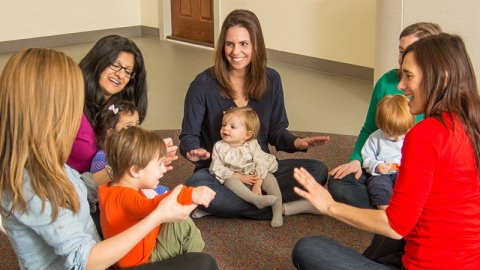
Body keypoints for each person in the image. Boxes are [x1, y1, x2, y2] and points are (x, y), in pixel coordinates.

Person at [0, 48, 218, 270]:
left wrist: (129, 164)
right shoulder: (31, 183)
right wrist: (158, 216)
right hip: (93, 262)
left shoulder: (40, 162)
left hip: (94, 248)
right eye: (72, 101)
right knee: (201, 263)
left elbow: (81, 188)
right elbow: (84, 261)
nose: (77, 112)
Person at [291, 33, 480, 270]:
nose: (401, 85)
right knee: (392, 214)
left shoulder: (425, 134)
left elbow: (394, 225)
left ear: (441, 78)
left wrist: (329, 206)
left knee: (309, 248)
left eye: (409, 76)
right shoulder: (469, 122)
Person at [180, 9, 329, 220]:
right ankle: (283, 208)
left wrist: (297, 143)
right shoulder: (202, 84)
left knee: (317, 170)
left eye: (243, 44)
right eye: (230, 44)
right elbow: (188, 136)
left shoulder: (272, 80)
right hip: (220, 174)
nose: (235, 51)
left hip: (258, 170)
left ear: (255, 45)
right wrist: (193, 150)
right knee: (195, 185)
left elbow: (277, 131)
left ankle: (225, 206)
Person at [328, 22, 442, 209]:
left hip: (419, 175)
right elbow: (369, 129)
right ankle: (395, 208)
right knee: (339, 184)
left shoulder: (441, 96)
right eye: (401, 51)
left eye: (411, 52)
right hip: (385, 169)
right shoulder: (387, 82)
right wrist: (356, 159)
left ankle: (394, 210)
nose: (402, 58)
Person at [99, 127, 215, 268]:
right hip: (142, 260)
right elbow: (159, 205)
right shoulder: (124, 196)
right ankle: (195, 259)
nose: (163, 169)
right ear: (136, 171)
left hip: (137, 250)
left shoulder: (111, 189)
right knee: (183, 224)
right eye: (159, 164)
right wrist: (190, 194)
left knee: (181, 223)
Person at [209, 107, 283, 227]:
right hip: (235, 176)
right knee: (229, 181)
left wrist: (258, 184)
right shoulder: (219, 146)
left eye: (232, 127)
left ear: (247, 134)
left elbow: (261, 161)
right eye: (223, 125)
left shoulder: (252, 144)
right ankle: (256, 200)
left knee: (271, 179)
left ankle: (277, 211)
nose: (225, 128)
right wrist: (237, 176)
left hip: (255, 174)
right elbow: (216, 166)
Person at [361, 95, 415, 209]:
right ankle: (385, 212)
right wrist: (377, 166)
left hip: (405, 172)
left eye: (403, 133)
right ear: (381, 127)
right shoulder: (375, 138)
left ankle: (410, 209)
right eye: (392, 135)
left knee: (417, 185)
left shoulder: (412, 137)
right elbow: (367, 157)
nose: (398, 138)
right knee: (377, 186)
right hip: (383, 174)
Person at [90, 97, 140, 173]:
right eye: (128, 126)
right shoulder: (102, 157)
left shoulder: (137, 149)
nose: (136, 129)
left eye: (137, 124)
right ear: (110, 131)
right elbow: (97, 183)